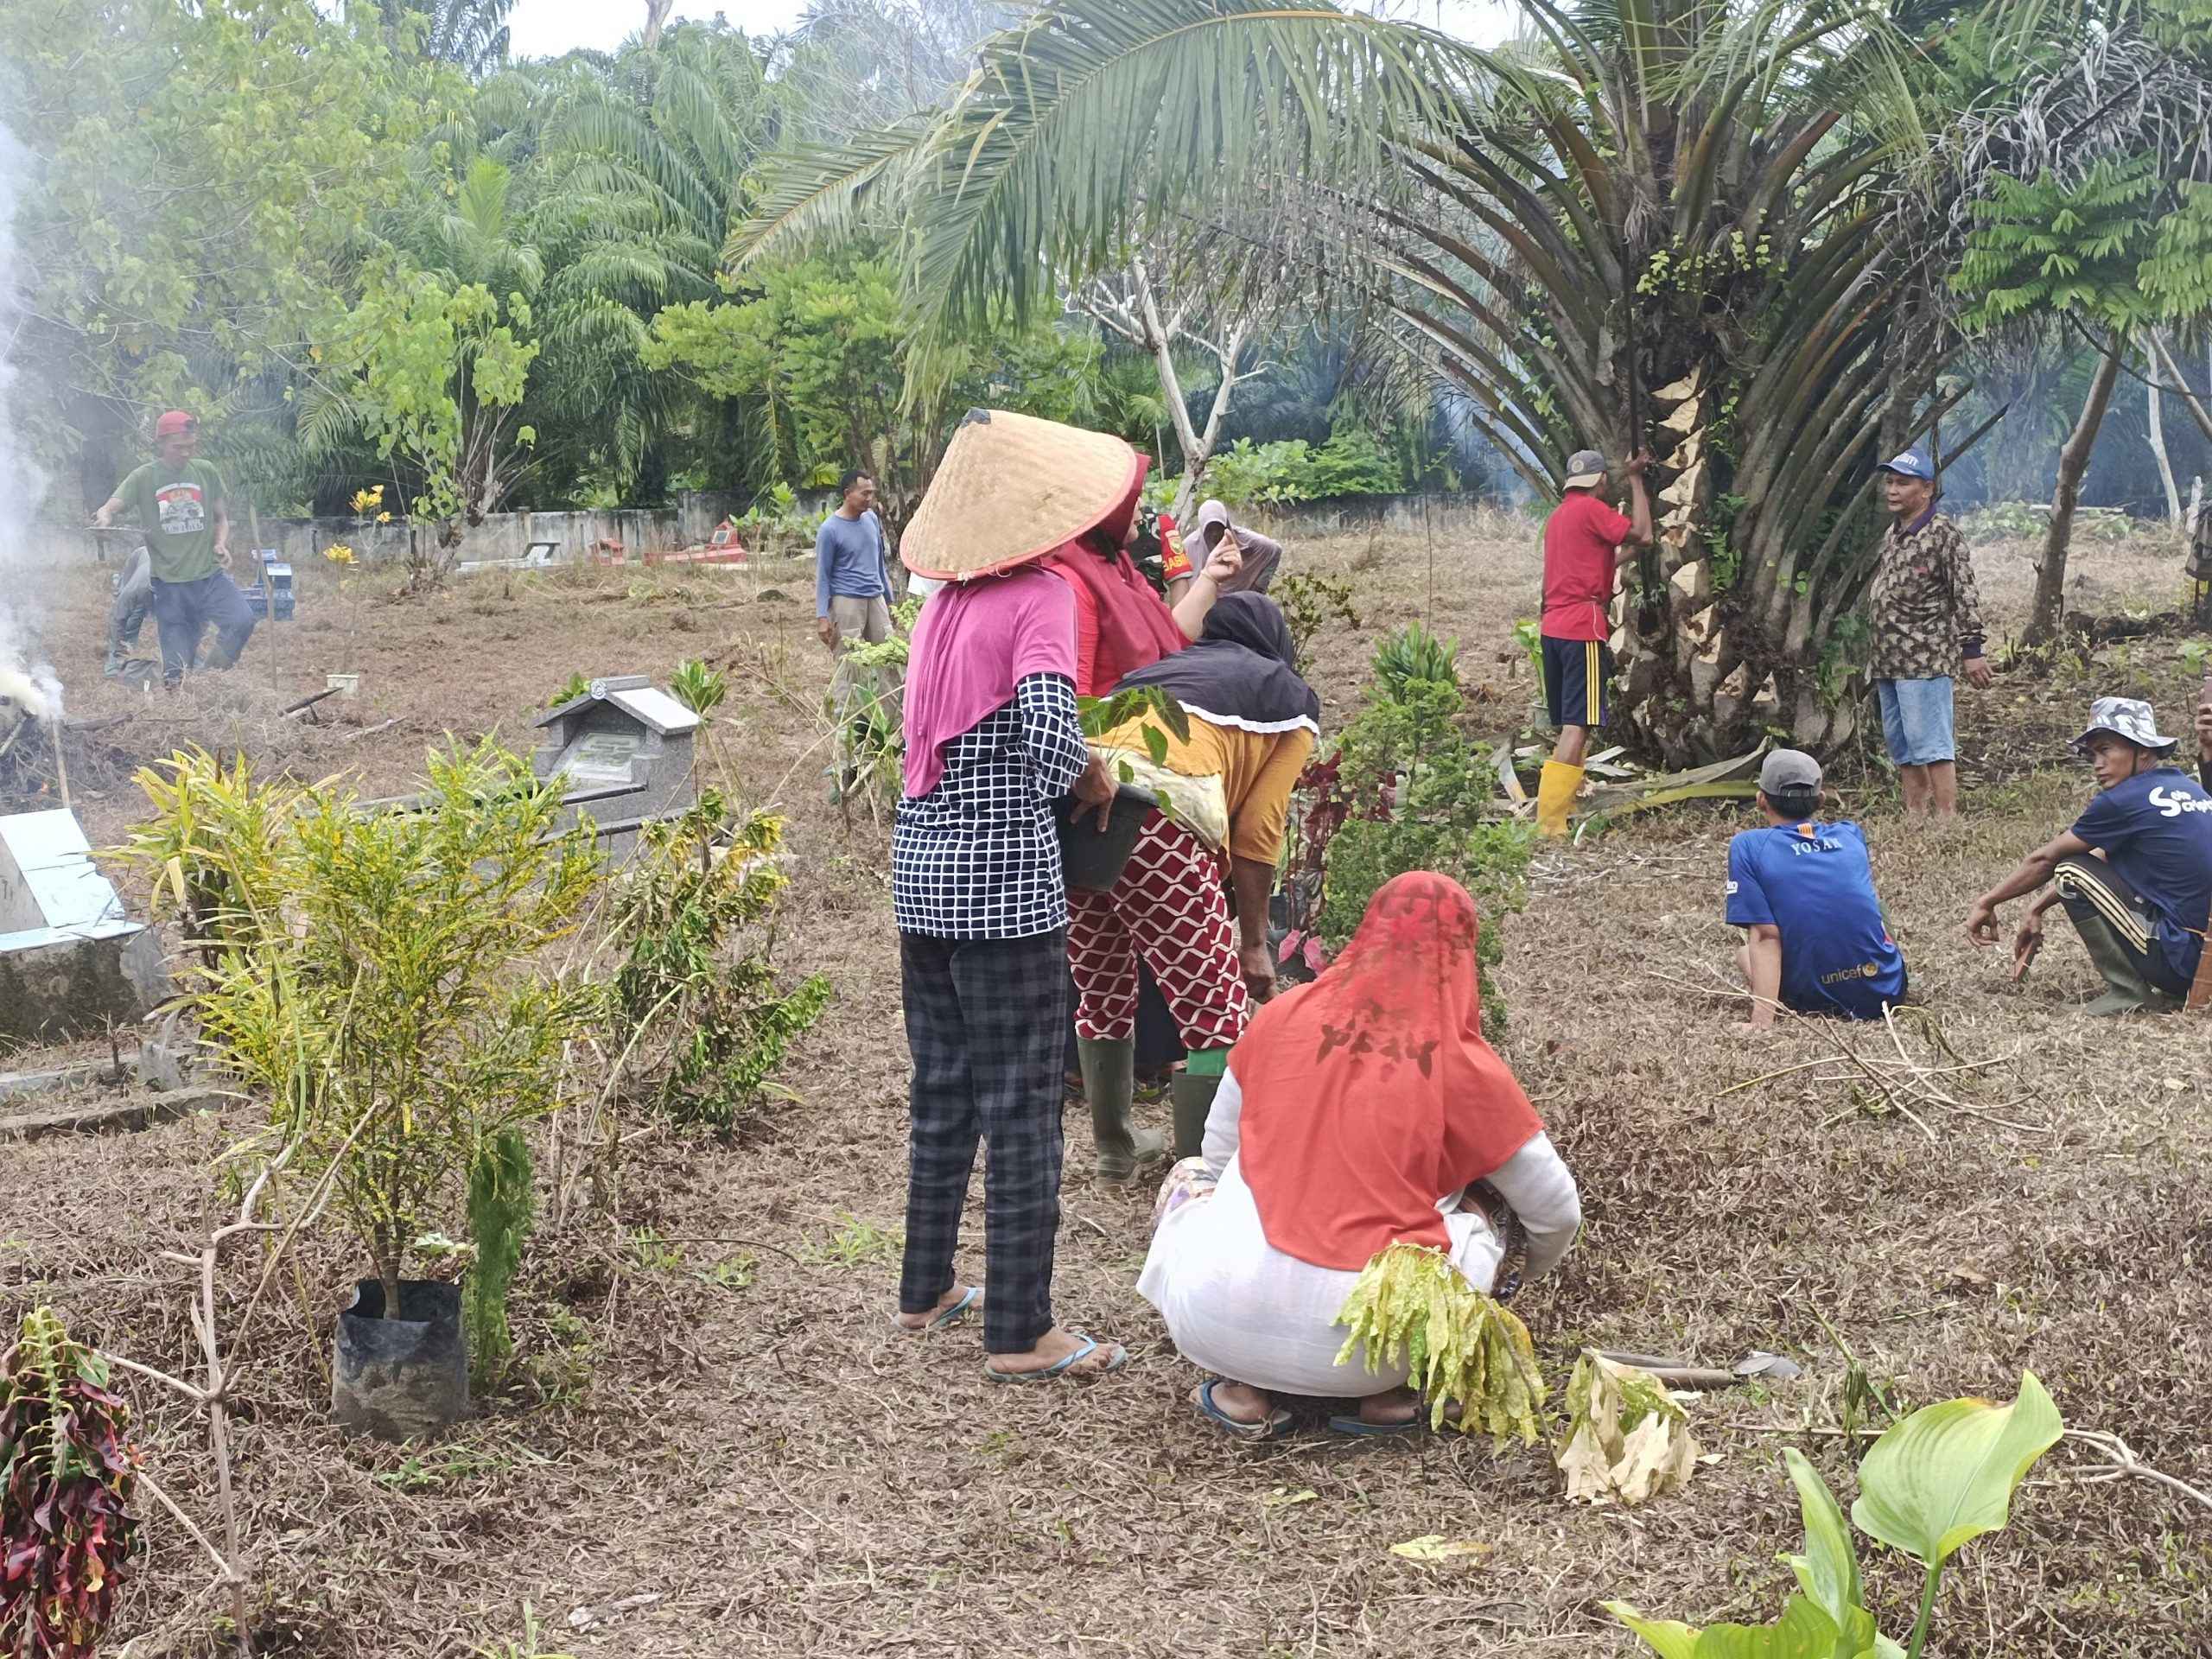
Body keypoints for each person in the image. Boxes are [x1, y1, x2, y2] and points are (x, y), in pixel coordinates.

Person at [1137, 872, 1580, 1437]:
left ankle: (1241, 1388)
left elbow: (1219, 1155)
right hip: (1377, 1350)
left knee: (1192, 1174)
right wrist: (1512, 1279)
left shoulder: (1279, 1018)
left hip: (1211, 1315)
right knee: (1491, 1202)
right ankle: (1394, 1395)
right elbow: (1556, 1211)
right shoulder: (1464, 1064)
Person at [888, 408, 1141, 1381]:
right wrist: (1092, 776)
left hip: (922, 884)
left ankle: (927, 1289)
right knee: (1026, 1103)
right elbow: (1043, 729)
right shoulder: (1040, 595)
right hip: (1003, 895)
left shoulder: (941, 606)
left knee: (944, 1090)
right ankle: (1023, 1331)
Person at [1072, 593, 1320, 1179]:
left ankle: (1115, 1150)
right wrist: (1253, 943)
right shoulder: (1287, 698)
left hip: (1080, 805)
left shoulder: (1157, 672)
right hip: (1160, 818)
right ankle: (1202, 1177)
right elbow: (1260, 831)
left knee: (1102, 986)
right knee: (1215, 1007)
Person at [1967, 697, 2212, 1015]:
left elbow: (2046, 861)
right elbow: (2105, 856)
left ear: (2144, 750)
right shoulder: (2187, 789)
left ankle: (2128, 991)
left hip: (2184, 967)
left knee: (2070, 869)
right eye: (2092, 753)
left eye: (2107, 749)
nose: (2097, 763)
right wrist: (2038, 905)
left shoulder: (2124, 800)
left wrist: (1987, 902)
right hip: (2205, 956)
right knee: (2081, 867)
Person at [1726, 749, 1906, 1027]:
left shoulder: (1748, 846)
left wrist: (1761, 1023)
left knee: (1744, 954)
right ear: (1821, 800)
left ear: (1761, 800)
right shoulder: (1851, 834)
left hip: (1812, 998)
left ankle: (1774, 1008)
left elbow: (1765, 936)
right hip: (1886, 990)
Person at [1865, 448, 1992, 820]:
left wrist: (1972, 650)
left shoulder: (1943, 533)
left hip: (1924, 658)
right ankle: (1915, 811)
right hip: (1888, 658)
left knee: (1932, 742)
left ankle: (1946, 815)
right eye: (1889, 482)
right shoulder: (1894, 533)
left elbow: (1965, 593)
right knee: (1901, 742)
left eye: (1902, 483)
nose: (1892, 490)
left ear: (1927, 489)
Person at [1046, 461, 1241, 696]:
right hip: (1115, 730)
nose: (1143, 504)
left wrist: (1211, 576)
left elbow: (1170, 639)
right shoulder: (1072, 585)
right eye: (1133, 496)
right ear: (1108, 504)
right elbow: (1077, 697)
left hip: (1145, 721)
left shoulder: (1120, 570)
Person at [1535, 448, 1652, 836]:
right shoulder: (1591, 509)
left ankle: (1557, 811)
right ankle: (1550, 824)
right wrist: (1635, 478)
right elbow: (1644, 534)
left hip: (1552, 627)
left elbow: (1588, 561)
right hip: (1581, 626)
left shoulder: (1559, 517)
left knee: (1568, 725)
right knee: (1578, 725)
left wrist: (1617, 558)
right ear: (1601, 481)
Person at [89, 410, 253, 687]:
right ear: (161, 443)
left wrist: (221, 543)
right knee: (176, 673)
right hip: (171, 587)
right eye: (179, 447)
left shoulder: (206, 472)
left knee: (243, 620)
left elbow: (220, 518)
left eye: (191, 446)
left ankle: (209, 679)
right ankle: (183, 696)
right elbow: (114, 503)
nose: (186, 453)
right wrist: (104, 515)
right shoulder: (144, 477)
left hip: (209, 578)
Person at [1191, 499, 1283, 594]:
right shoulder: (1191, 545)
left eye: (1218, 529)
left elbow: (1275, 550)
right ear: (1203, 530)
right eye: (1209, 530)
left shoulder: (1243, 539)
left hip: (1240, 601)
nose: (1214, 534)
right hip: (1206, 602)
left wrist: (1258, 587)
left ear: (1226, 526)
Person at [105, 545, 153, 676]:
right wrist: (122, 652)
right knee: (131, 621)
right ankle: (114, 668)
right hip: (138, 561)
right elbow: (116, 619)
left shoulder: (178, 588)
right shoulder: (135, 590)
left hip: (157, 572)